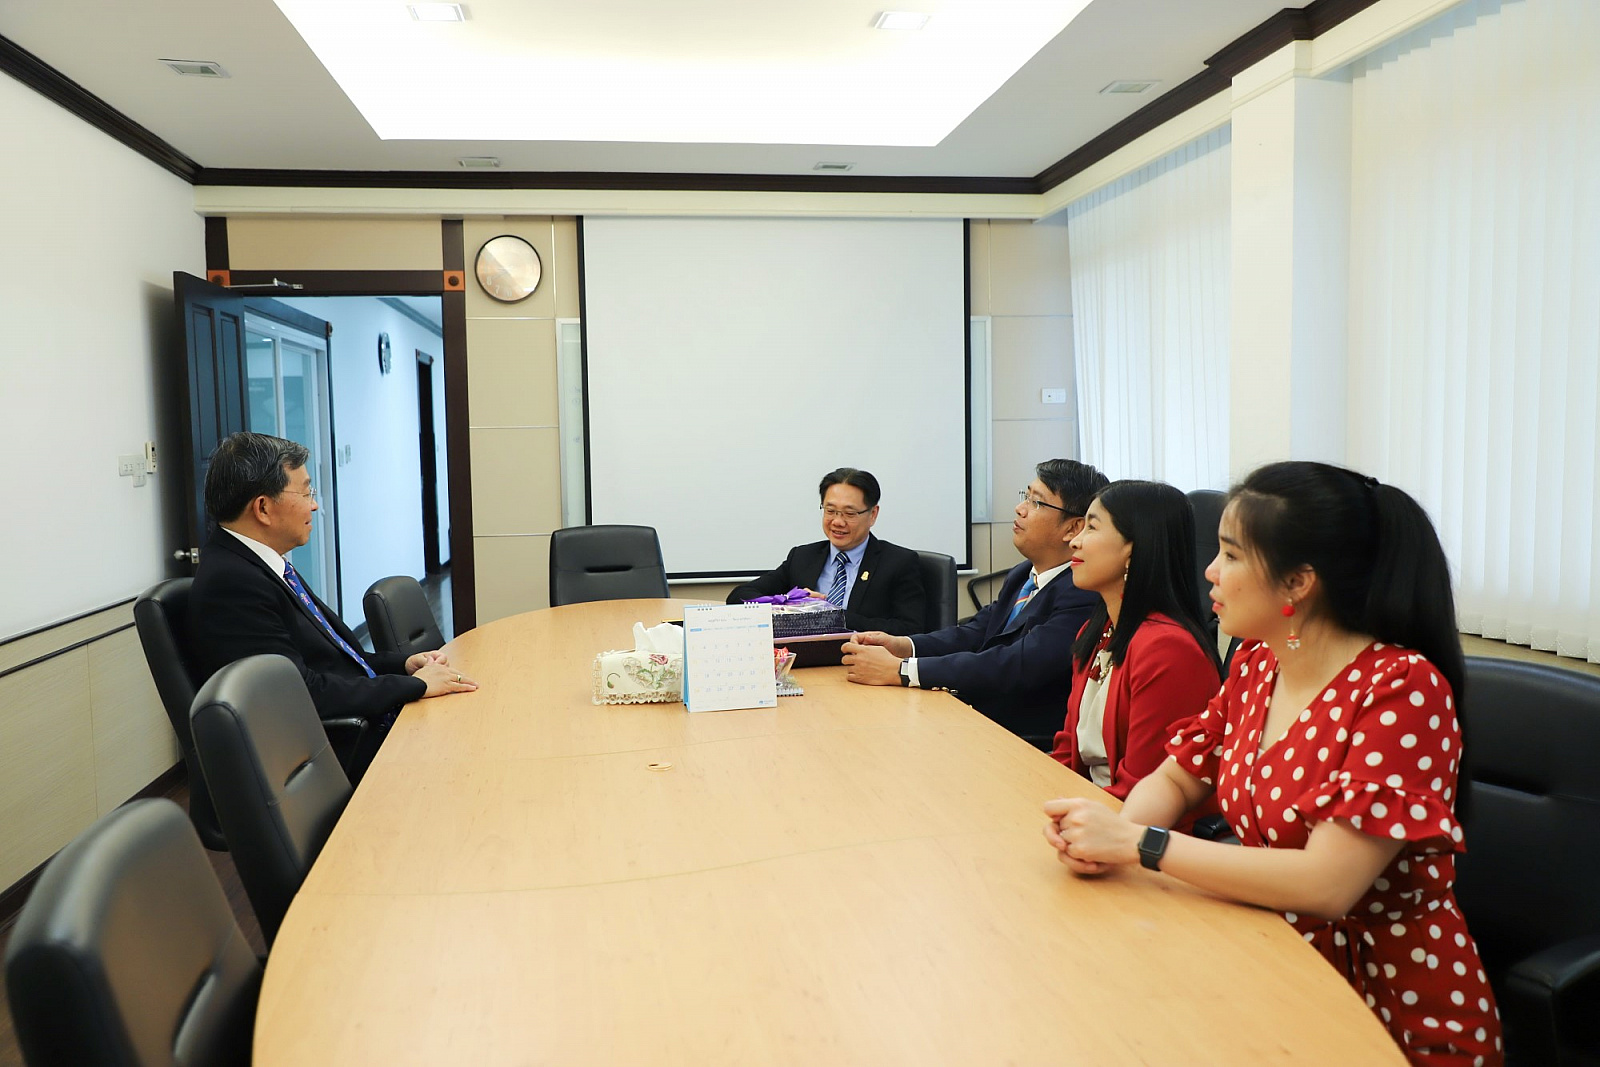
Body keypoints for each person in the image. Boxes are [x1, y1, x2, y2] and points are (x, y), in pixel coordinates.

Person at [1042, 462, 1501, 1066]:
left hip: (1385, 1002)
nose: (1210, 571)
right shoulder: (1260, 663)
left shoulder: (1401, 688)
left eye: (1231, 555)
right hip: (1267, 951)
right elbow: (1180, 775)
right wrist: (1115, 835)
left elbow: (1326, 884)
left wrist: (1139, 844)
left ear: (1298, 582)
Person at [188, 432, 477, 743]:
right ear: (263, 508)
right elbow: (300, 692)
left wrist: (404, 666)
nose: (314, 506)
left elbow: (338, 662)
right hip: (341, 747)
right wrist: (416, 686)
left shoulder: (260, 564)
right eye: (305, 493)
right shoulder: (234, 583)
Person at [843, 458, 1108, 748]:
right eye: (1025, 496)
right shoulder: (1023, 574)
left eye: (1036, 502)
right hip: (976, 718)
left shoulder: (1082, 592)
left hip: (1021, 739)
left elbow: (1017, 664)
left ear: (1073, 528)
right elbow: (976, 631)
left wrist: (902, 670)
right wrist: (903, 645)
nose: (1020, 509)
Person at [1051, 480, 1221, 807]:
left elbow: (1142, 789)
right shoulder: (1097, 631)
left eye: (1092, 527)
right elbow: (1067, 752)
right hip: (1089, 808)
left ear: (1134, 547)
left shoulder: (1168, 650)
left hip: (1131, 822)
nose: (1074, 540)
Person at [727, 468, 926, 635]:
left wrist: (830, 615)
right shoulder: (802, 557)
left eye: (849, 513)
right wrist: (792, 605)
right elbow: (740, 597)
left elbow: (911, 629)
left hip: (862, 660)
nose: (837, 522)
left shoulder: (899, 563)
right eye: (830, 511)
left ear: (873, 514)